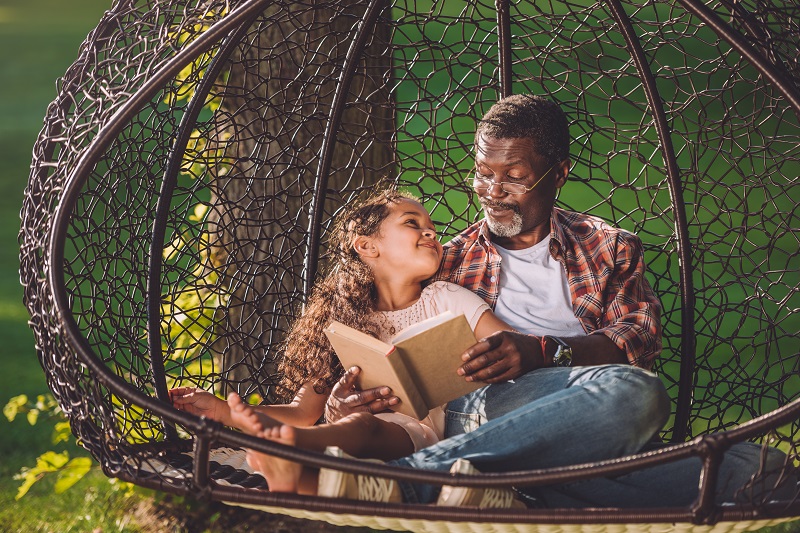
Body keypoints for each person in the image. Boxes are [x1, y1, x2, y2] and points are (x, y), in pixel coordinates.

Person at [323, 94, 792, 507]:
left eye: (514, 176)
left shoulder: (609, 247)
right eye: (484, 174)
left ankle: (509, 488)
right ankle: (415, 481)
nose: (493, 193)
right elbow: (389, 339)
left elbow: (638, 340)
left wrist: (544, 352)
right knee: (637, 393)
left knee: (767, 471)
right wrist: (346, 401)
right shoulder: (447, 261)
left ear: (558, 173)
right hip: (485, 410)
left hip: (586, 422)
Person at [170, 188, 524, 506]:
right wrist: (223, 410)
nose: (430, 231)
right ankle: (286, 457)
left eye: (431, 225)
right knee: (357, 427)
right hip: (349, 449)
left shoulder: (448, 299)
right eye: (412, 222)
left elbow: (513, 345)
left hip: (423, 439)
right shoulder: (346, 323)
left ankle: (286, 447)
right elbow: (302, 413)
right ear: (368, 246)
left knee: (363, 426)